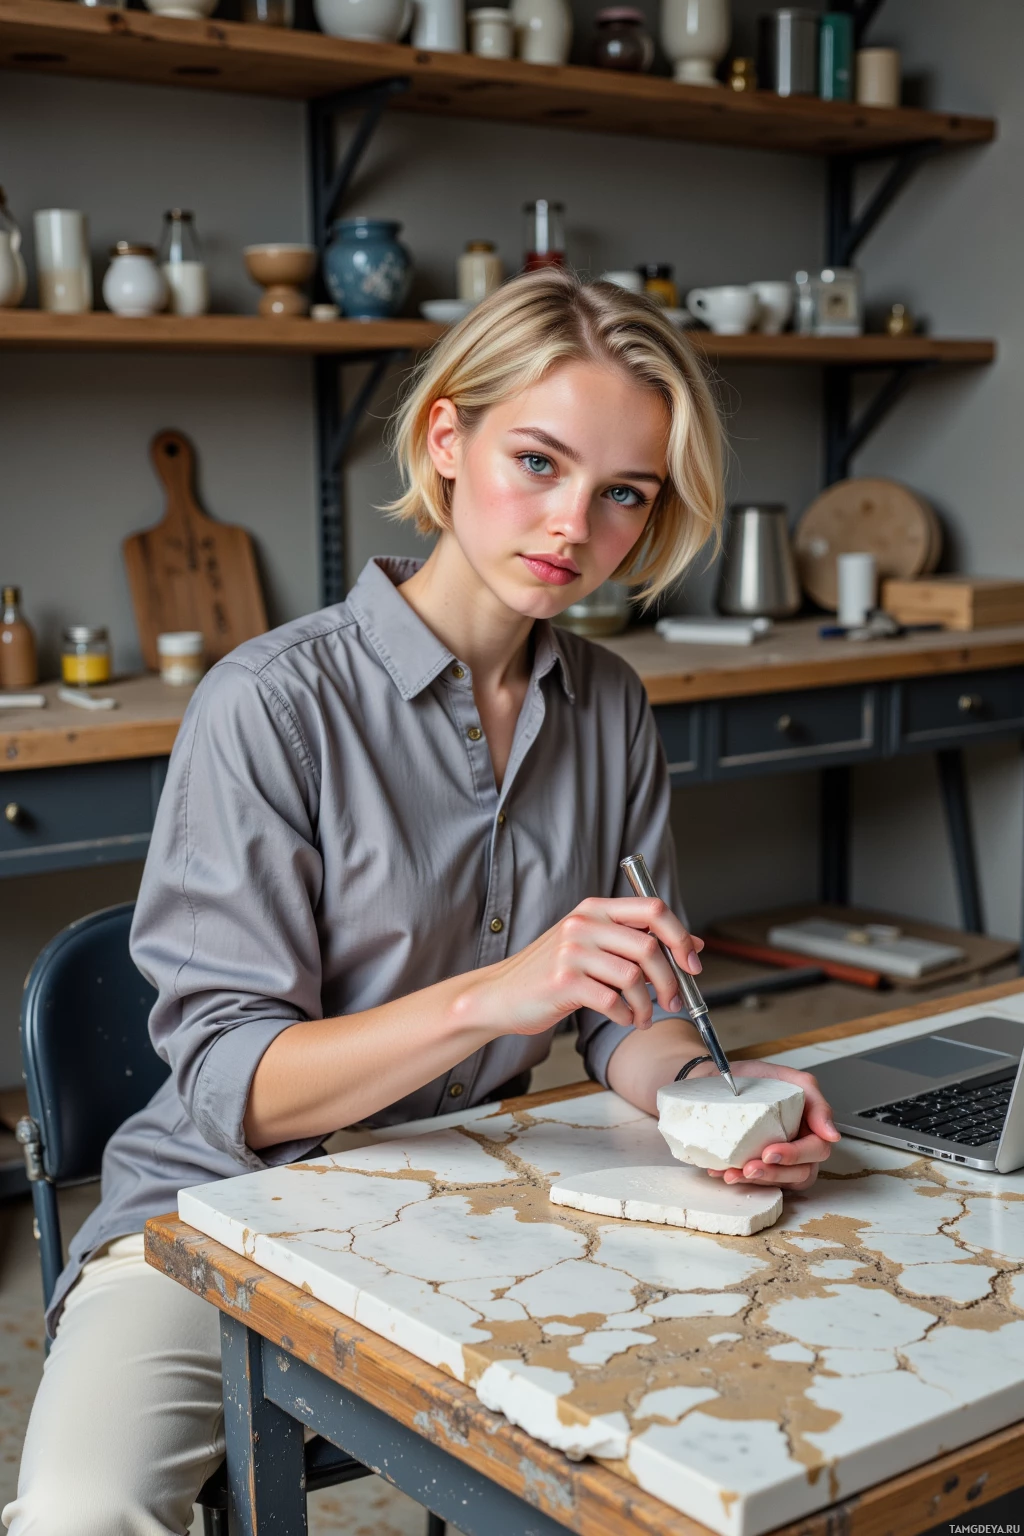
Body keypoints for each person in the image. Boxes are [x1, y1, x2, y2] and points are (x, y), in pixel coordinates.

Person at [5, 270, 840, 1535]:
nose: (573, 524)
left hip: (472, 1201)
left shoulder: (609, 705)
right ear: (446, 441)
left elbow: (631, 1017)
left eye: (624, 494)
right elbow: (237, 1080)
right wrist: (497, 995)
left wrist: (713, 1103)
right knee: (81, 1513)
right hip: (213, 1212)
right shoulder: (270, 704)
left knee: (726, 1436)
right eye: (537, 461)